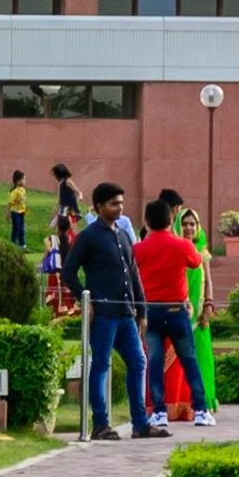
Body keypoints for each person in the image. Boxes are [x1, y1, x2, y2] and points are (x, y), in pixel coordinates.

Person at [71, 181, 158, 438]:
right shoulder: (89, 237)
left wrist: (142, 311)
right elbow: (68, 271)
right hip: (103, 313)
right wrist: (86, 299)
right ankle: (100, 424)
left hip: (126, 314)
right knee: (101, 364)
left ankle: (140, 424)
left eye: (121, 203)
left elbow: (133, 275)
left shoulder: (122, 235)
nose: (120, 208)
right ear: (99, 207)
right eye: (114, 204)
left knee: (138, 361)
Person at [137, 192, 209, 419]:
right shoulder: (182, 245)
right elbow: (196, 262)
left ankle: (158, 411)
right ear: (171, 220)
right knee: (190, 361)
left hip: (151, 312)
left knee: (154, 363)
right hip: (177, 310)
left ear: (147, 222)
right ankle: (201, 410)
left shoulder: (139, 249)